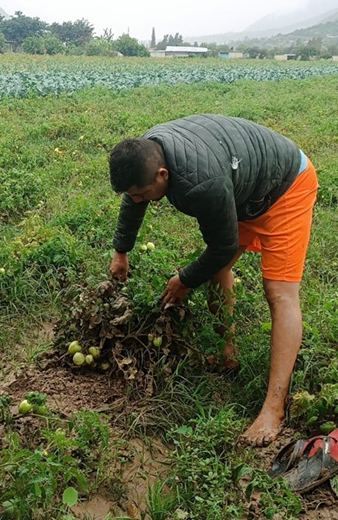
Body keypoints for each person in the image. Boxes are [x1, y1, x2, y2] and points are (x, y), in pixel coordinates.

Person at [107, 114, 319, 447]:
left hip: (286, 187)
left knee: (279, 293)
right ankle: (227, 353)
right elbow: (132, 198)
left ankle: (273, 409)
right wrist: (121, 251)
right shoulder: (148, 153)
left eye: (144, 193)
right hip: (244, 191)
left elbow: (222, 248)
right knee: (218, 270)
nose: (138, 200)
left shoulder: (199, 184)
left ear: (162, 175)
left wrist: (185, 280)